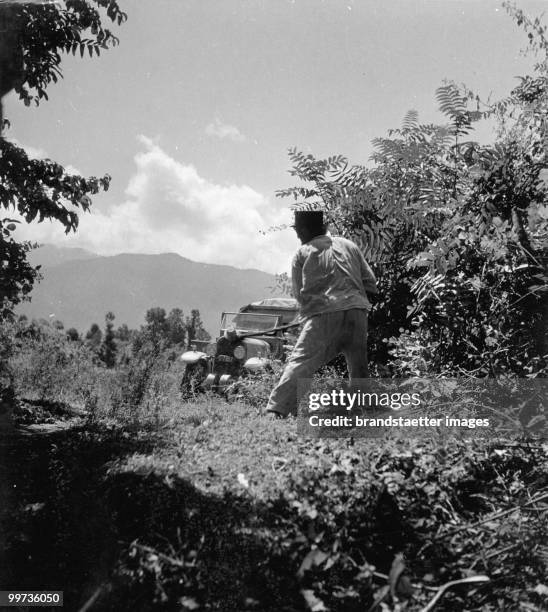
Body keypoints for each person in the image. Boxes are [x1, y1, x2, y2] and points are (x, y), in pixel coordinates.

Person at [265, 210, 378, 418]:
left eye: (298, 231)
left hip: (324, 313)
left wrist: (310, 314)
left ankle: (276, 410)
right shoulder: (349, 246)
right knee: (358, 366)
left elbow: (300, 295)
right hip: (357, 312)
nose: (298, 236)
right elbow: (371, 284)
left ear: (305, 230)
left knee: (301, 361)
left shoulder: (303, 252)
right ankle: (363, 411)